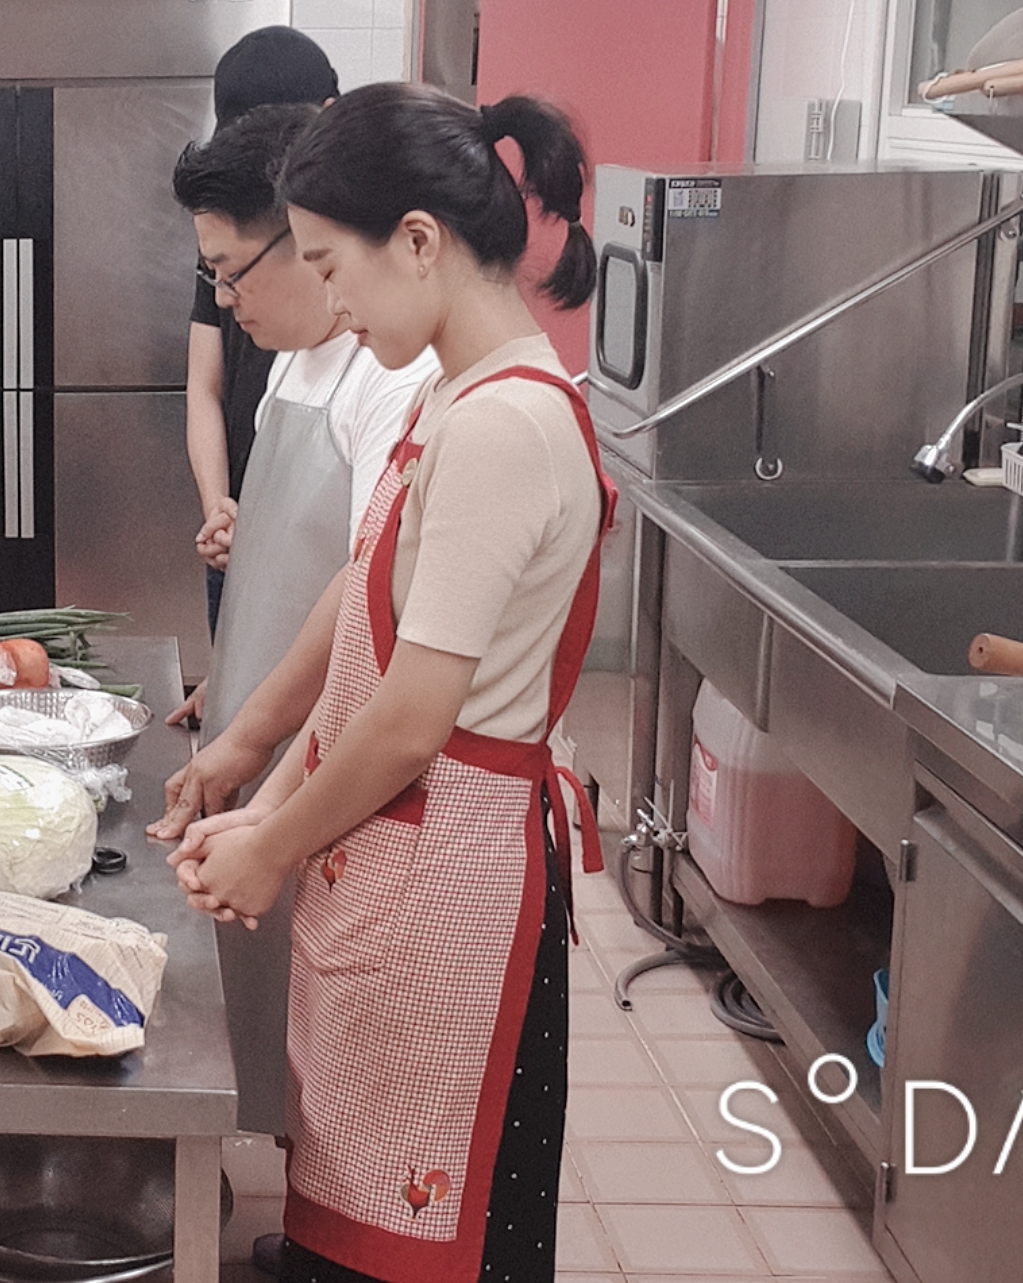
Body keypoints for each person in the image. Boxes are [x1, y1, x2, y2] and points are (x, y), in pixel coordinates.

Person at [170, 83, 611, 1283]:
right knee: (360, 1210)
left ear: (418, 240)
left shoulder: (504, 428)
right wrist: (266, 794)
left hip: (452, 892)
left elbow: (413, 715)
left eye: (333, 263)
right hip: (403, 867)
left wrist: (273, 842)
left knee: (427, 1243)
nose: (335, 298)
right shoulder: (450, 396)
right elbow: (363, 604)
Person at [149, 102, 436, 1152]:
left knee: (332, 1019)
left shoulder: (396, 379)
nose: (225, 301)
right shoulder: (295, 362)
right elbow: (293, 554)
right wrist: (225, 689)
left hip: (331, 752)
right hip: (269, 730)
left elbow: (365, 602)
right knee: (268, 1012)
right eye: (209, 278)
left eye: (235, 271)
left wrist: (260, 744)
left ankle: (335, 1217)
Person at [187, 27, 340, 633]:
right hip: (248, 526)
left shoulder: (379, 342)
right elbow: (204, 385)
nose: (227, 296)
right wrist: (221, 510)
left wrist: (251, 728)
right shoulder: (233, 236)